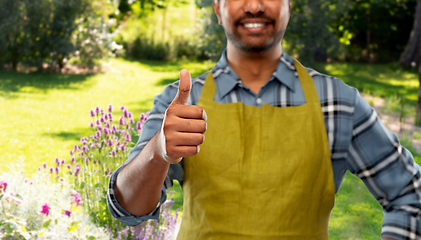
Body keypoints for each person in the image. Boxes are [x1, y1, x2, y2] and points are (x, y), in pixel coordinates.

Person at [107, 0, 421, 239]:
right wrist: (158, 150)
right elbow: (127, 210)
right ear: (218, 8)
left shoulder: (338, 103)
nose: (256, 6)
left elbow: (410, 194)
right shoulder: (182, 102)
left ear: (289, 6)